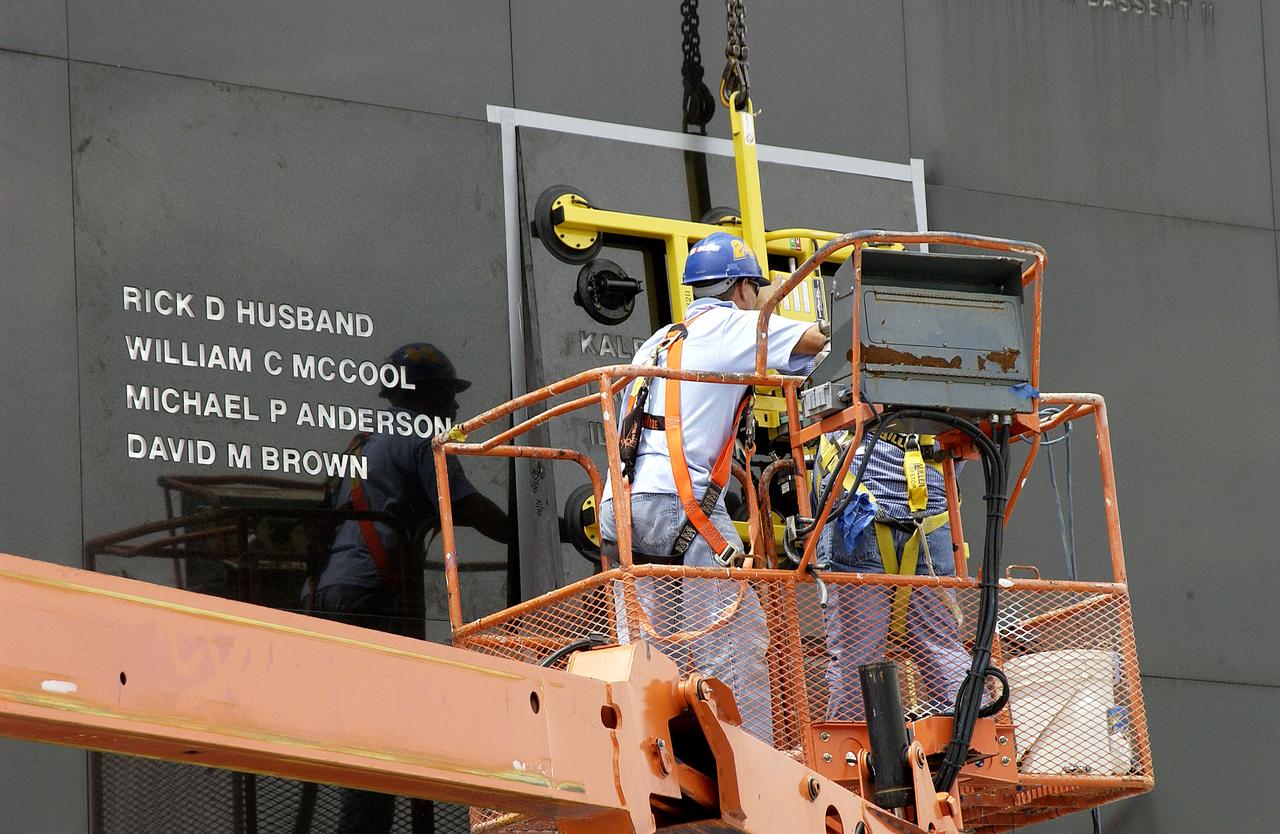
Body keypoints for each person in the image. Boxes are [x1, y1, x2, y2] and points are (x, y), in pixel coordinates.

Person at [597, 232, 827, 745]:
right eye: (754, 289)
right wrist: (777, 310)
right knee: (734, 642)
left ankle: (654, 756)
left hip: (621, 508)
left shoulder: (660, 338)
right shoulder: (733, 325)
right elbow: (815, 344)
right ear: (742, 287)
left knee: (650, 653)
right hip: (681, 506)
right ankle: (749, 760)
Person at [311, 342, 509, 834]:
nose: (455, 406)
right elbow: (465, 505)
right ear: (425, 395)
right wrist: (530, 533)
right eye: (447, 394)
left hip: (334, 591)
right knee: (381, 732)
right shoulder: (421, 438)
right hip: (372, 595)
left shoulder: (364, 440)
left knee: (369, 733)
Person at [817, 429, 969, 722]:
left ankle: (851, 745)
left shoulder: (862, 398)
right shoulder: (951, 404)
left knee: (855, 657)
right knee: (942, 647)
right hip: (930, 517)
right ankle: (972, 736)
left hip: (859, 511)